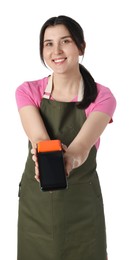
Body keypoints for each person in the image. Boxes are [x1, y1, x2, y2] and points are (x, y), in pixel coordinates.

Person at [15, 15, 116, 260]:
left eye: (65, 41)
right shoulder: (28, 91)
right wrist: (45, 155)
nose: (56, 50)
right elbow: (38, 136)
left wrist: (68, 159)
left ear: (81, 47)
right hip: (36, 206)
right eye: (48, 43)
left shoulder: (102, 97)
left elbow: (81, 147)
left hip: (81, 206)